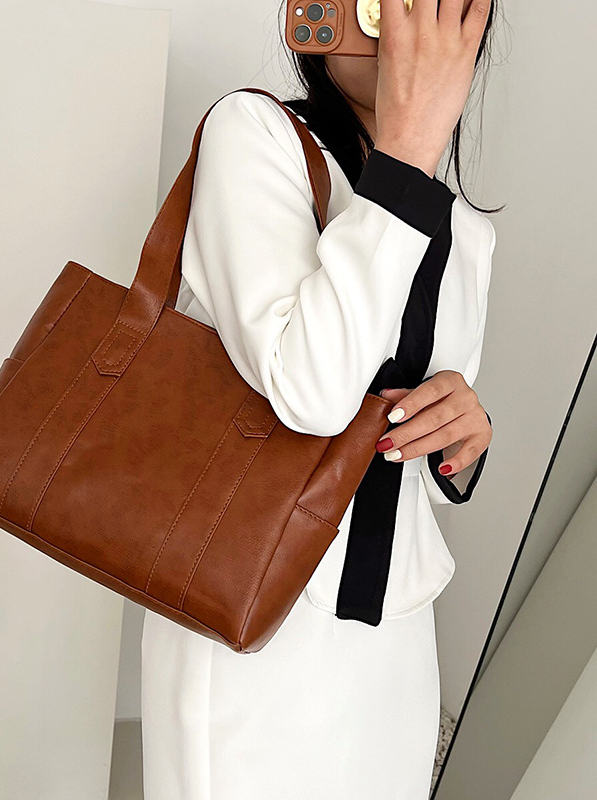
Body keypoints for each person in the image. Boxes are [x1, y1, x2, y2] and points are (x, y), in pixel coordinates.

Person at [140, 0, 500, 797]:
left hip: (394, 636)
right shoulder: (257, 137)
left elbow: (411, 451)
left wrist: (462, 436)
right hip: (251, 619)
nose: (394, 23)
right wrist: (408, 152)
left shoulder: (465, 232)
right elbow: (309, 390)